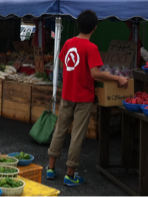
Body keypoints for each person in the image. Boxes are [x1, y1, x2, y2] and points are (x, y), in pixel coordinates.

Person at [46, 10, 129, 187]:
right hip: (83, 97)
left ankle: (51, 168)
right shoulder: (91, 48)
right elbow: (96, 74)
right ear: (95, 28)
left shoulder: (68, 43)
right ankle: (70, 174)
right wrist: (118, 78)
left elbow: (62, 63)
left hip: (67, 94)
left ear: (78, 25)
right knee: (77, 135)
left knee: (60, 129)